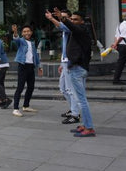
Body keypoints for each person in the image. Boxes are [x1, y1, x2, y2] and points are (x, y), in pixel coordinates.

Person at [48, 8, 96, 137]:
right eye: (72, 19)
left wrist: (62, 18)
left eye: (75, 19)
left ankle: (89, 128)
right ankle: (86, 125)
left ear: (81, 21)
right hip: (75, 67)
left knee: (81, 100)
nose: (73, 21)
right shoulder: (77, 32)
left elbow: (71, 27)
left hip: (77, 69)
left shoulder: (81, 31)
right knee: (80, 99)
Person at [45, 9, 81, 124]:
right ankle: (72, 110)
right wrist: (61, 63)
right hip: (65, 61)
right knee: (63, 88)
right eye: (61, 16)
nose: (62, 19)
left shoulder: (70, 29)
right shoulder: (66, 30)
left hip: (70, 62)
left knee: (71, 89)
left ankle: (75, 114)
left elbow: (61, 25)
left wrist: (52, 18)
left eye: (64, 17)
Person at [11, 24, 43, 117]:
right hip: (23, 66)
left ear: (31, 32)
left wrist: (39, 67)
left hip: (31, 67)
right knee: (20, 88)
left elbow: (36, 56)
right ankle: (15, 109)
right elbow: (16, 39)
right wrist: (15, 32)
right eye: (24, 32)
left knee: (31, 87)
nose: (26, 33)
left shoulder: (32, 43)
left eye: (28, 31)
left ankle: (26, 106)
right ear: (22, 33)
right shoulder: (21, 41)